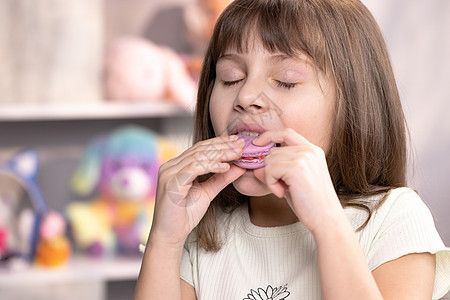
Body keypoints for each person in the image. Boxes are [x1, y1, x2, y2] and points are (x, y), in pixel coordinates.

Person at [134, 0, 450, 299]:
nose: (246, 96)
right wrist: (165, 239)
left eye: (285, 81)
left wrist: (327, 222)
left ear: (353, 105)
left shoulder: (394, 220)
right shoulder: (201, 233)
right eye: (231, 78)